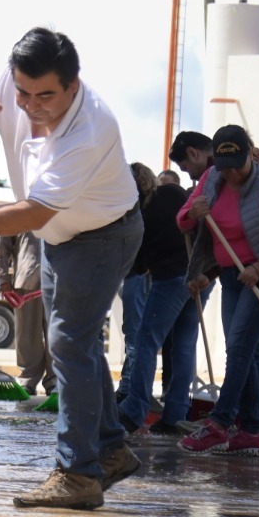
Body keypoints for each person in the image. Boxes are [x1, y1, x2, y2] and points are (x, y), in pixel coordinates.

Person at [0, 28, 142, 510]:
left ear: (73, 85)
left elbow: (34, 212)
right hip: (59, 237)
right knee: (74, 342)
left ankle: (78, 475)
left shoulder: (91, 127)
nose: (31, 105)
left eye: (46, 96)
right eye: (23, 93)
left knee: (67, 343)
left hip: (102, 234)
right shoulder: (11, 84)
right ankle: (110, 449)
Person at [176, 125, 259, 458]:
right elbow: (183, 221)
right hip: (232, 273)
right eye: (224, 166)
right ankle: (254, 428)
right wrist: (194, 212)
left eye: (237, 164)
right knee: (249, 347)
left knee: (238, 345)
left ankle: (220, 421)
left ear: (250, 153)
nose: (231, 173)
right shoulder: (212, 180)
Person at [118, 164, 202, 437]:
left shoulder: (139, 215)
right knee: (184, 345)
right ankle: (176, 413)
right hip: (198, 275)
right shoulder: (173, 192)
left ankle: (134, 410)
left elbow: (139, 265)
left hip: (170, 280)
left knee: (146, 340)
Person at [115, 163, 158, 402]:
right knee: (139, 334)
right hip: (140, 276)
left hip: (136, 276)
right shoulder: (145, 207)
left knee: (135, 335)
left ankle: (129, 389)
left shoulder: (133, 209)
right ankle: (131, 387)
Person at [0, 230, 51, 396]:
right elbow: (2, 248)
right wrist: (4, 281)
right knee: (26, 335)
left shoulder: (64, 206)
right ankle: (28, 379)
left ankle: (55, 380)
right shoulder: (18, 211)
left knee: (57, 336)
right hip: (27, 280)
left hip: (58, 282)